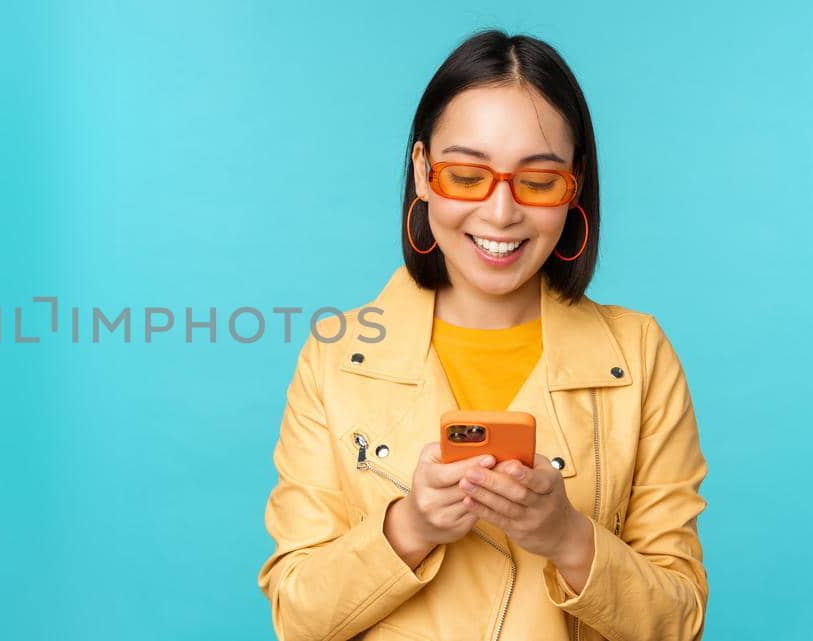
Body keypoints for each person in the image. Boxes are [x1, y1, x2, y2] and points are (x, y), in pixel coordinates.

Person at [256, 30, 708, 641]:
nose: (500, 214)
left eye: (539, 181)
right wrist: (409, 528)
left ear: (574, 186)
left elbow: (679, 622)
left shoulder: (638, 354)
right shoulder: (337, 355)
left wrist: (568, 538)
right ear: (422, 173)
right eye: (467, 176)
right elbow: (297, 616)